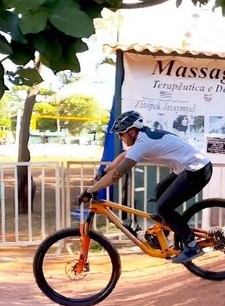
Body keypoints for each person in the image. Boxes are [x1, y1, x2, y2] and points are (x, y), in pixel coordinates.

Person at [79, 110, 213, 264]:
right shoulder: (141, 138)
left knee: (164, 208)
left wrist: (90, 191)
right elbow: (122, 158)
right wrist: (103, 172)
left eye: (121, 134)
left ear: (132, 132)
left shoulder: (143, 143)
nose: (120, 137)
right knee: (159, 190)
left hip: (197, 170)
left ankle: (192, 245)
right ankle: (165, 228)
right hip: (188, 168)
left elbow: (117, 174)